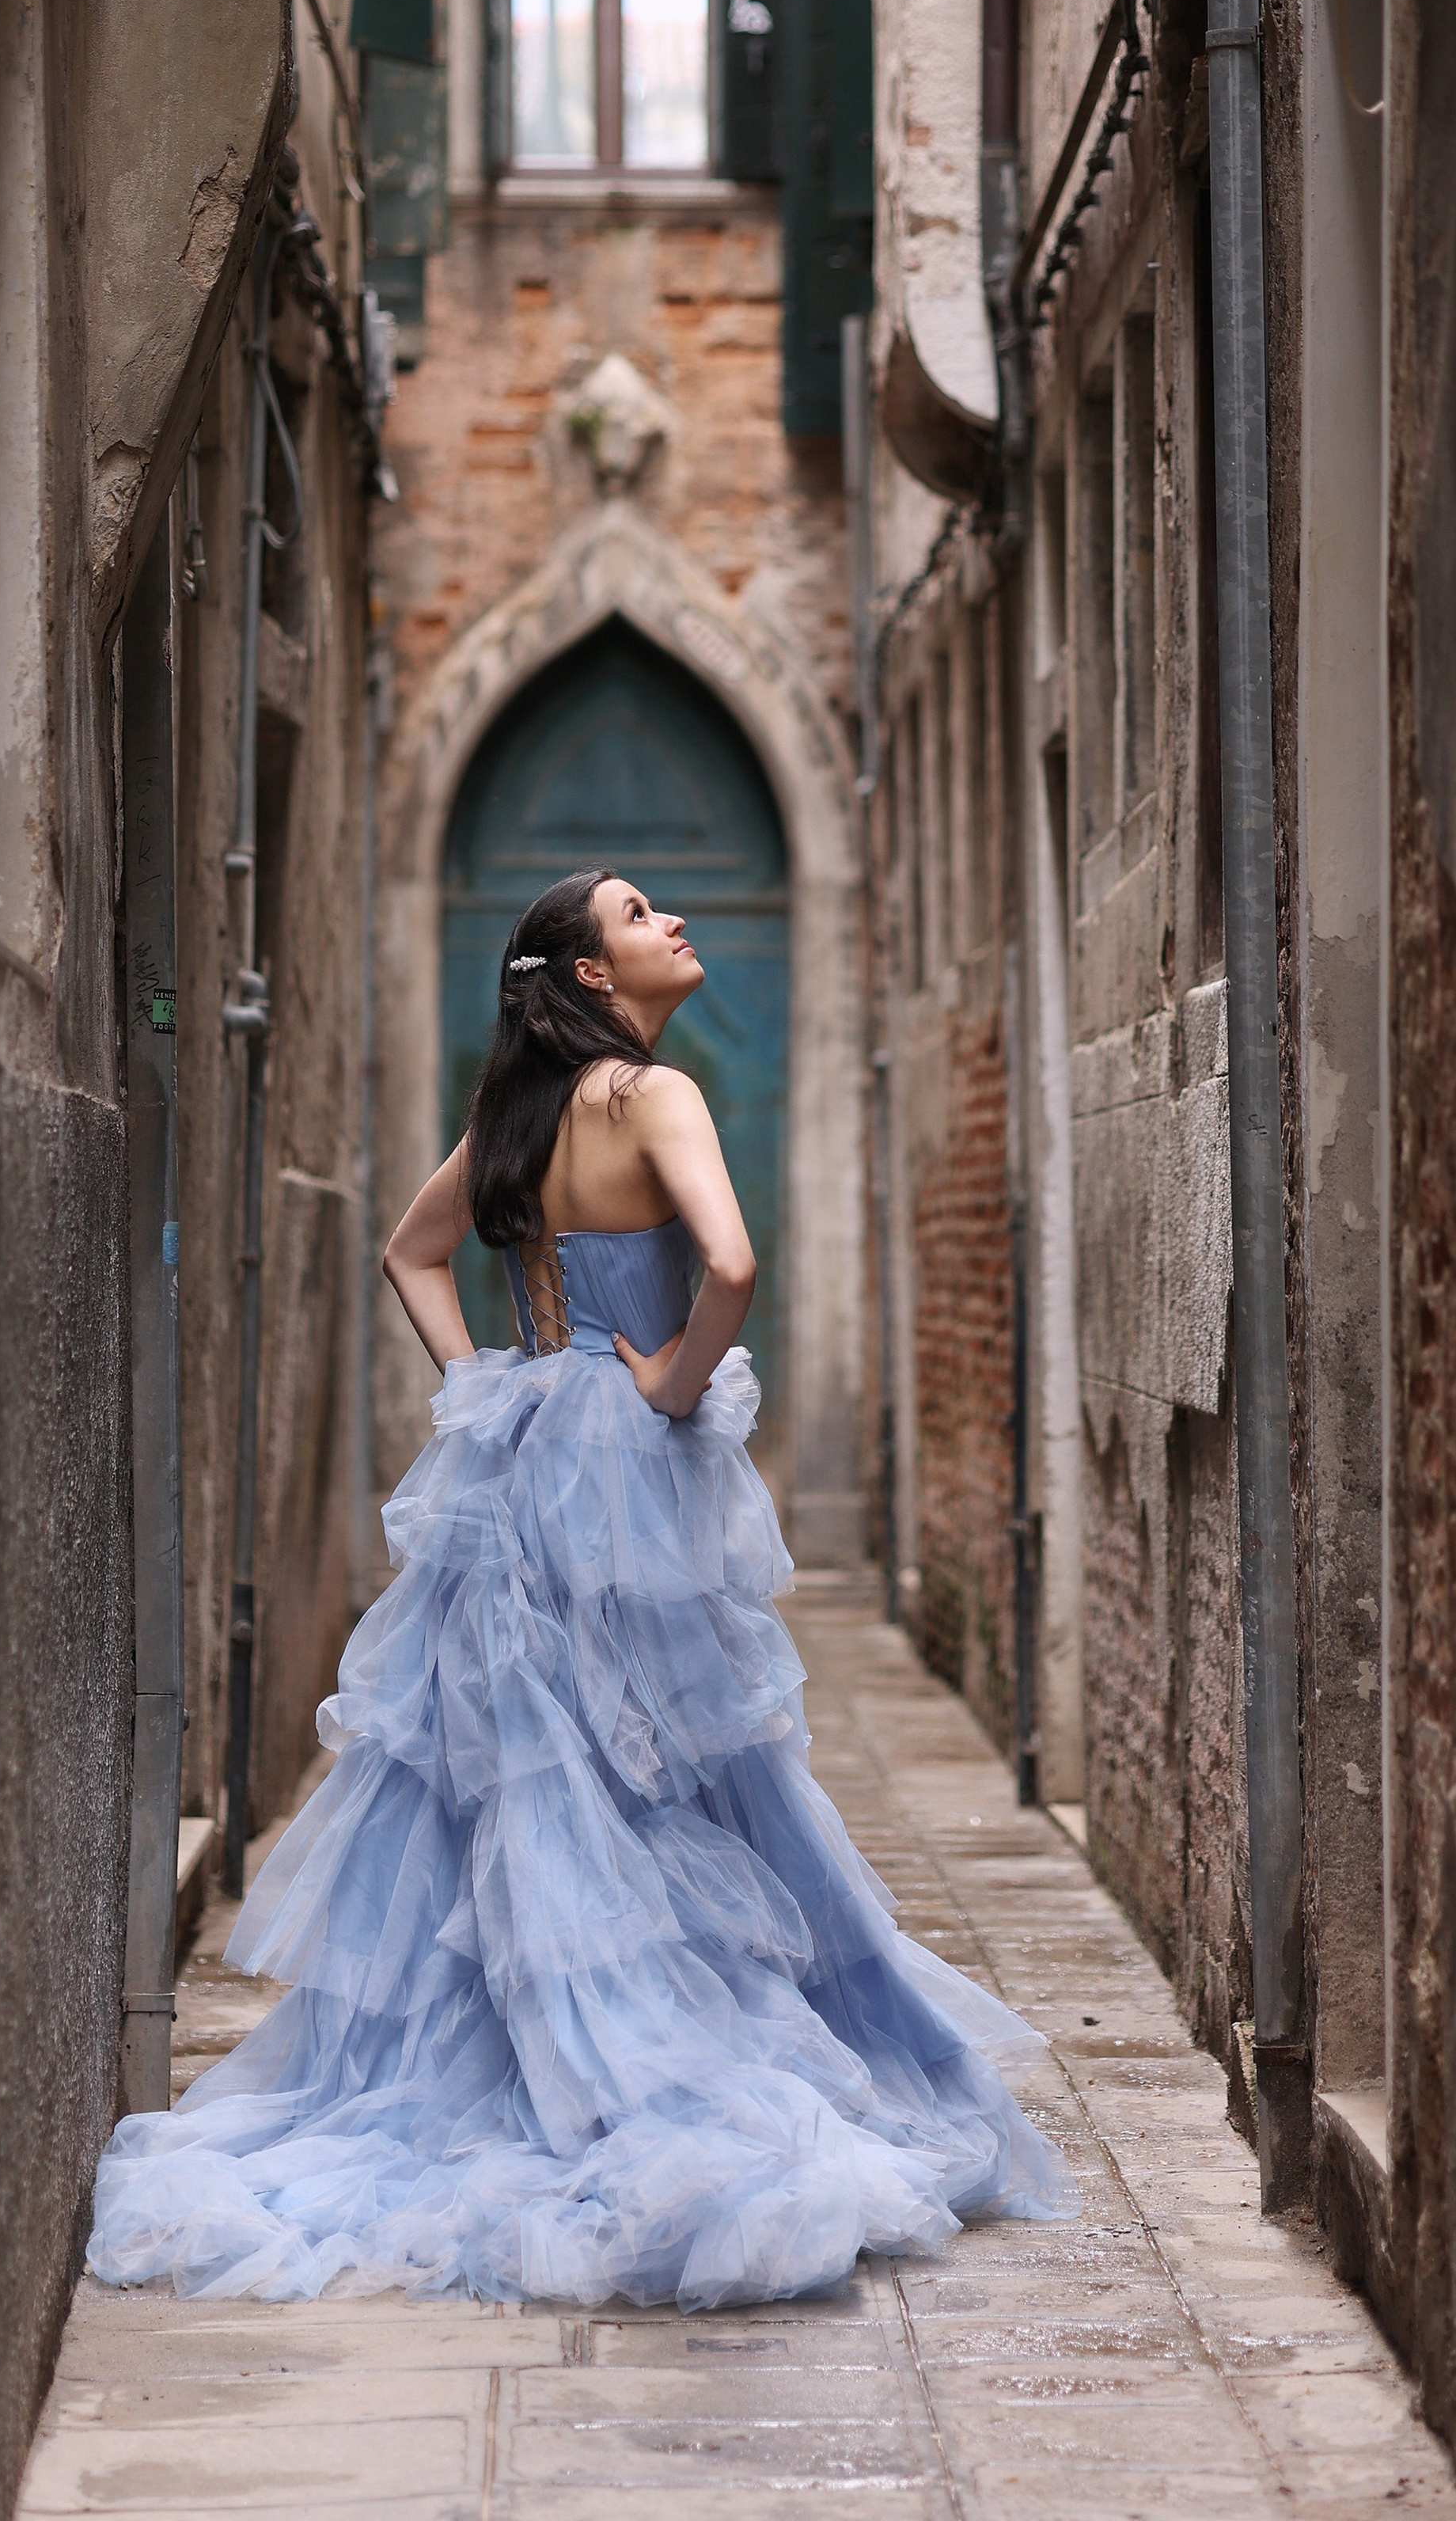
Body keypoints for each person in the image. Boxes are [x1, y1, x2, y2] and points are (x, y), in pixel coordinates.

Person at [89, 868, 1075, 2306]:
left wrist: (484, 1382)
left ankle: (537, 2056)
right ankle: (647, 2059)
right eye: (637, 913)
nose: (673, 921)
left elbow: (410, 1252)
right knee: (673, 1765)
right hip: (634, 1468)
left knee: (537, 1771)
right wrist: (673, 1383)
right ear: (593, 976)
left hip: (525, 1448)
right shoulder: (654, 1098)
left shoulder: (519, 1115)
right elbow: (731, 1262)